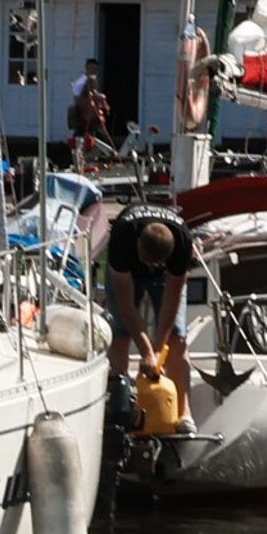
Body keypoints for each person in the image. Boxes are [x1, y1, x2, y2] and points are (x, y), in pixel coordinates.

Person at [104, 197, 194, 433]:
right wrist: (146, 351)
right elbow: (125, 304)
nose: (152, 269)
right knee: (120, 333)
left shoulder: (183, 243)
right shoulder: (122, 239)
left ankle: (184, 414)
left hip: (166, 279)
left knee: (177, 337)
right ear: (137, 246)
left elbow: (172, 298)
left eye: (158, 265)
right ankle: (119, 408)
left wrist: (156, 350)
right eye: (148, 262)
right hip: (127, 275)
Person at [67, 58, 111, 163]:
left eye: (96, 69)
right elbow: (78, 99)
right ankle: (80, 159)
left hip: (92, 115)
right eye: (92, 68)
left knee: (98, 138)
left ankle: (92, 158)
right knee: (83, 138)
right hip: (84, 116)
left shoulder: (93, 81)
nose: (94, 71)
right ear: (87, 68)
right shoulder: (81, 82)